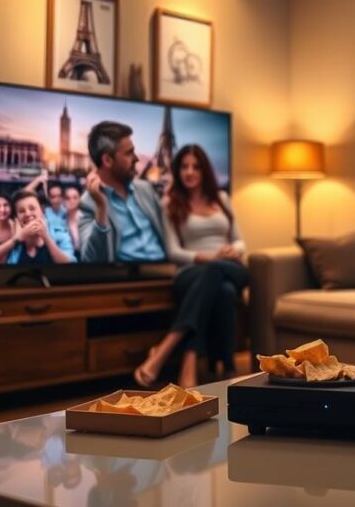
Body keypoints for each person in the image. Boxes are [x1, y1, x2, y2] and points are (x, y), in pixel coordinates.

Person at [134, 145, 247, 388]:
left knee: (218, 274)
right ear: (177, 171)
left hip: (230, 266)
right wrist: (207, 258)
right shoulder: (170, 203)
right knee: (223, 291)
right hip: (191, 272)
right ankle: (228, 369)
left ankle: (170, 347)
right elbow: (173, 251)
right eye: (184, 166)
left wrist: (233, 250)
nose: (189, 172)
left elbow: (239, 239)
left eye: (195, 166)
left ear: (204, 170)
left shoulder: (222, 198)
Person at [78, 121, 166, 263]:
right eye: (129, 153)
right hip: (128, 281)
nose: (136, 159)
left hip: (166, 274)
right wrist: (101, 208)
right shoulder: (88, 203)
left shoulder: (145, 189)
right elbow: (90, 260)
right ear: (107, 160)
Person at [6, 189, 76, 265]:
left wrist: (46, 237)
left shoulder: (61, 234)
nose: (27, 214)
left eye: (32, 208)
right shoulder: (13, 241)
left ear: (42, 211)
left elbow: (70, 266)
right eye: (21, 211)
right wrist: (17, 239)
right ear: (17, 217)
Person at [63, 185, 82, 254]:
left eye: (75, 197)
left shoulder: (85, 219)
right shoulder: (61, 219)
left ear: (80, 200)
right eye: (67, 198)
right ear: (63, 200)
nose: (71, 201)